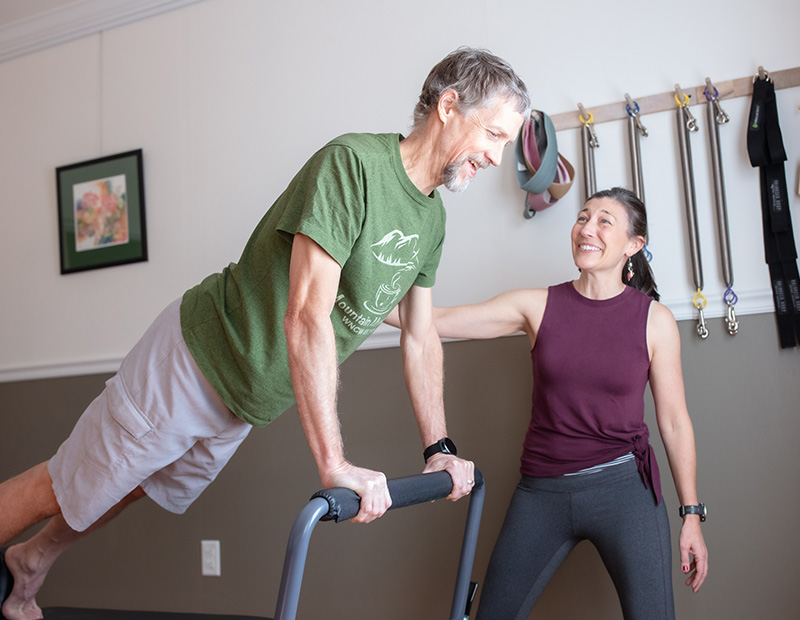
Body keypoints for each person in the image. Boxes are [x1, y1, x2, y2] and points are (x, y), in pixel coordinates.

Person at [0, 47, 530, 620]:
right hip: (198, 360)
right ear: (449, 106)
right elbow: (306, 313)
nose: (498, 157)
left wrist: (439, 449)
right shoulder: (353, 164)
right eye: (495, 135)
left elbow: (421, 336)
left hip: (243, 403)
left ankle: (31, 559)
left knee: (127, 486)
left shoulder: (431, 218)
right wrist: (335, 464)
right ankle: (29, 553)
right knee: (65, 482)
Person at [389, 187, 708, 619]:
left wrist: (691, 514)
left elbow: (674, 421)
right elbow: (434, 321)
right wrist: (348, 297)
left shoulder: (654, 320)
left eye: (604, 221)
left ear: (634, 246)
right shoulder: (536, 305)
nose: (586, 229)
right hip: (543, 491)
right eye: (582, 217)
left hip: (623, 491)